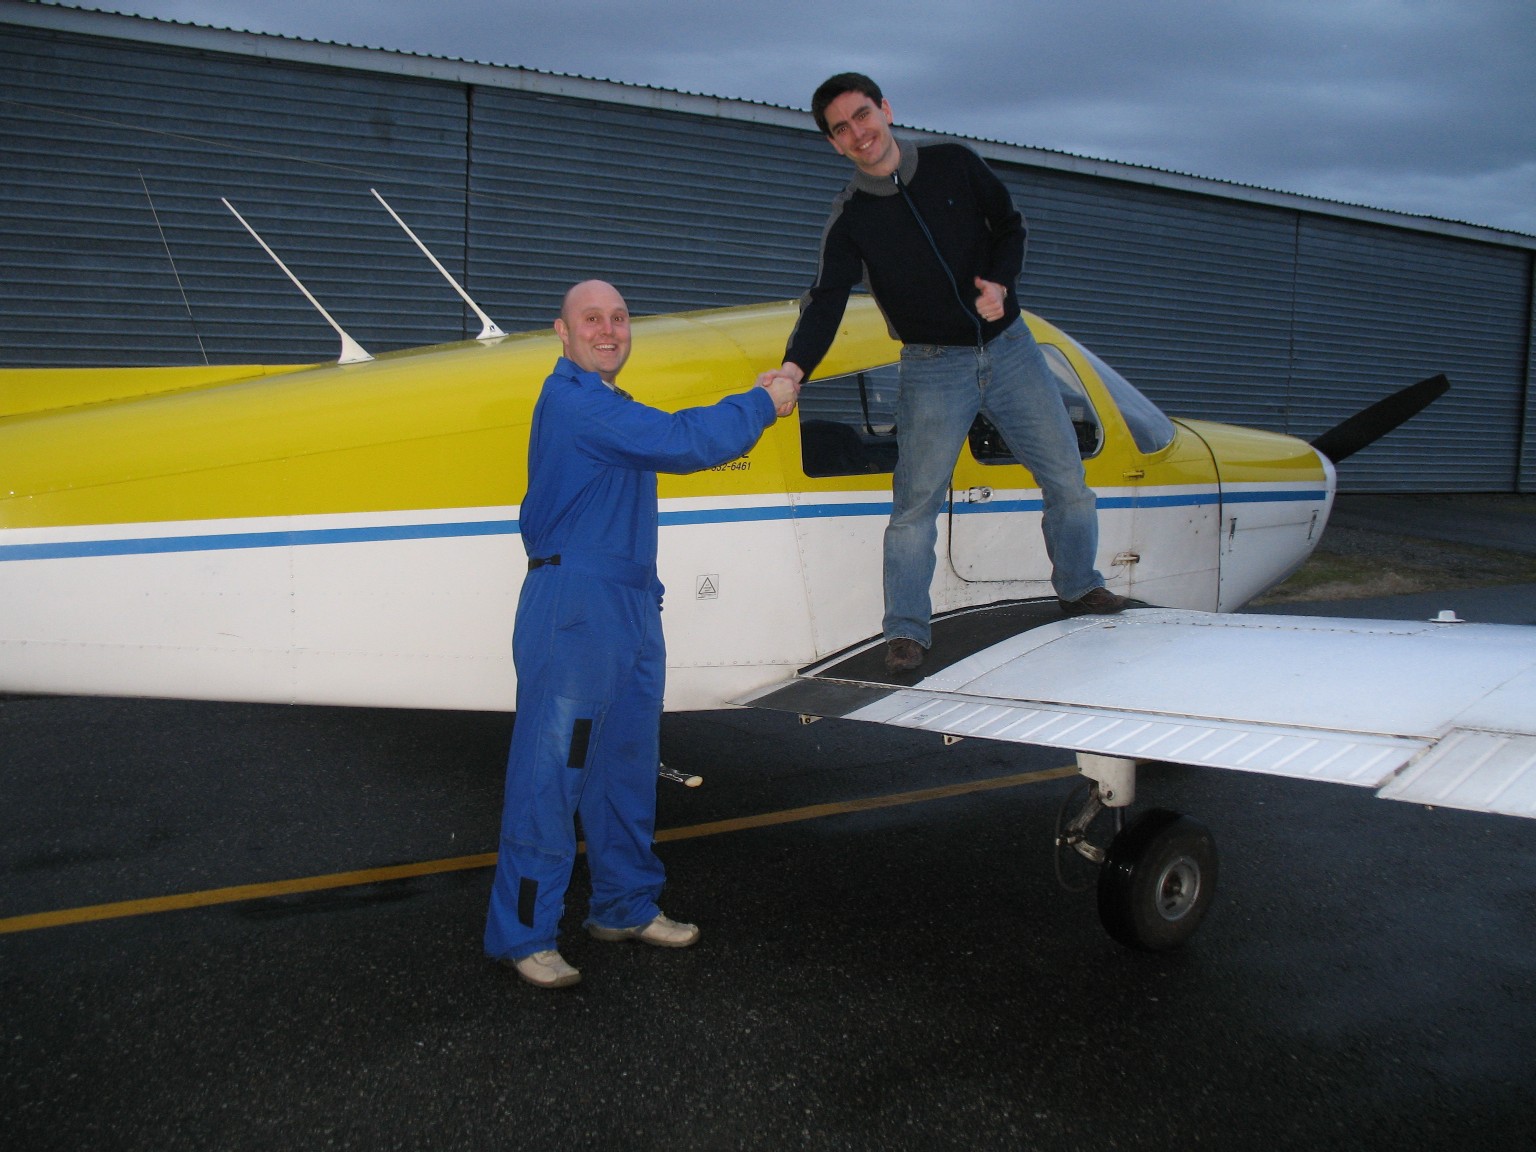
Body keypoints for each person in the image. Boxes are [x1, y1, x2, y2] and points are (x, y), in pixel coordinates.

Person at [485, 279, 799, 989]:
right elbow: (683, 441)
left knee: (624, 766)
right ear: (562, 333)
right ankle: (524, 933)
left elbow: (669, 434)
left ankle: (623, 906)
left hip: (628, 602)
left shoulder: (608, 405)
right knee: (551, 775)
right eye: (591, 318)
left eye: (620, 318)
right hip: (576, 605)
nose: (608, 329)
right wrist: (763, 403)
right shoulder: (574, 402)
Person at [764, 73, 1126, 674]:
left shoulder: (955, 165)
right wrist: (794, 369)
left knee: (1067, 478)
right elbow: (825, 298)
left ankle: (1080, 586)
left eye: (863, 115)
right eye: (842, 129)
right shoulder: (852, 217)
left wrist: (1000, 282)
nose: (859, 133)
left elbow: (1010, 225)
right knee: (914, 508)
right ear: (834, 144)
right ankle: (905, 629)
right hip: (933, 368)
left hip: (1011, 350)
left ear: (886, 108)